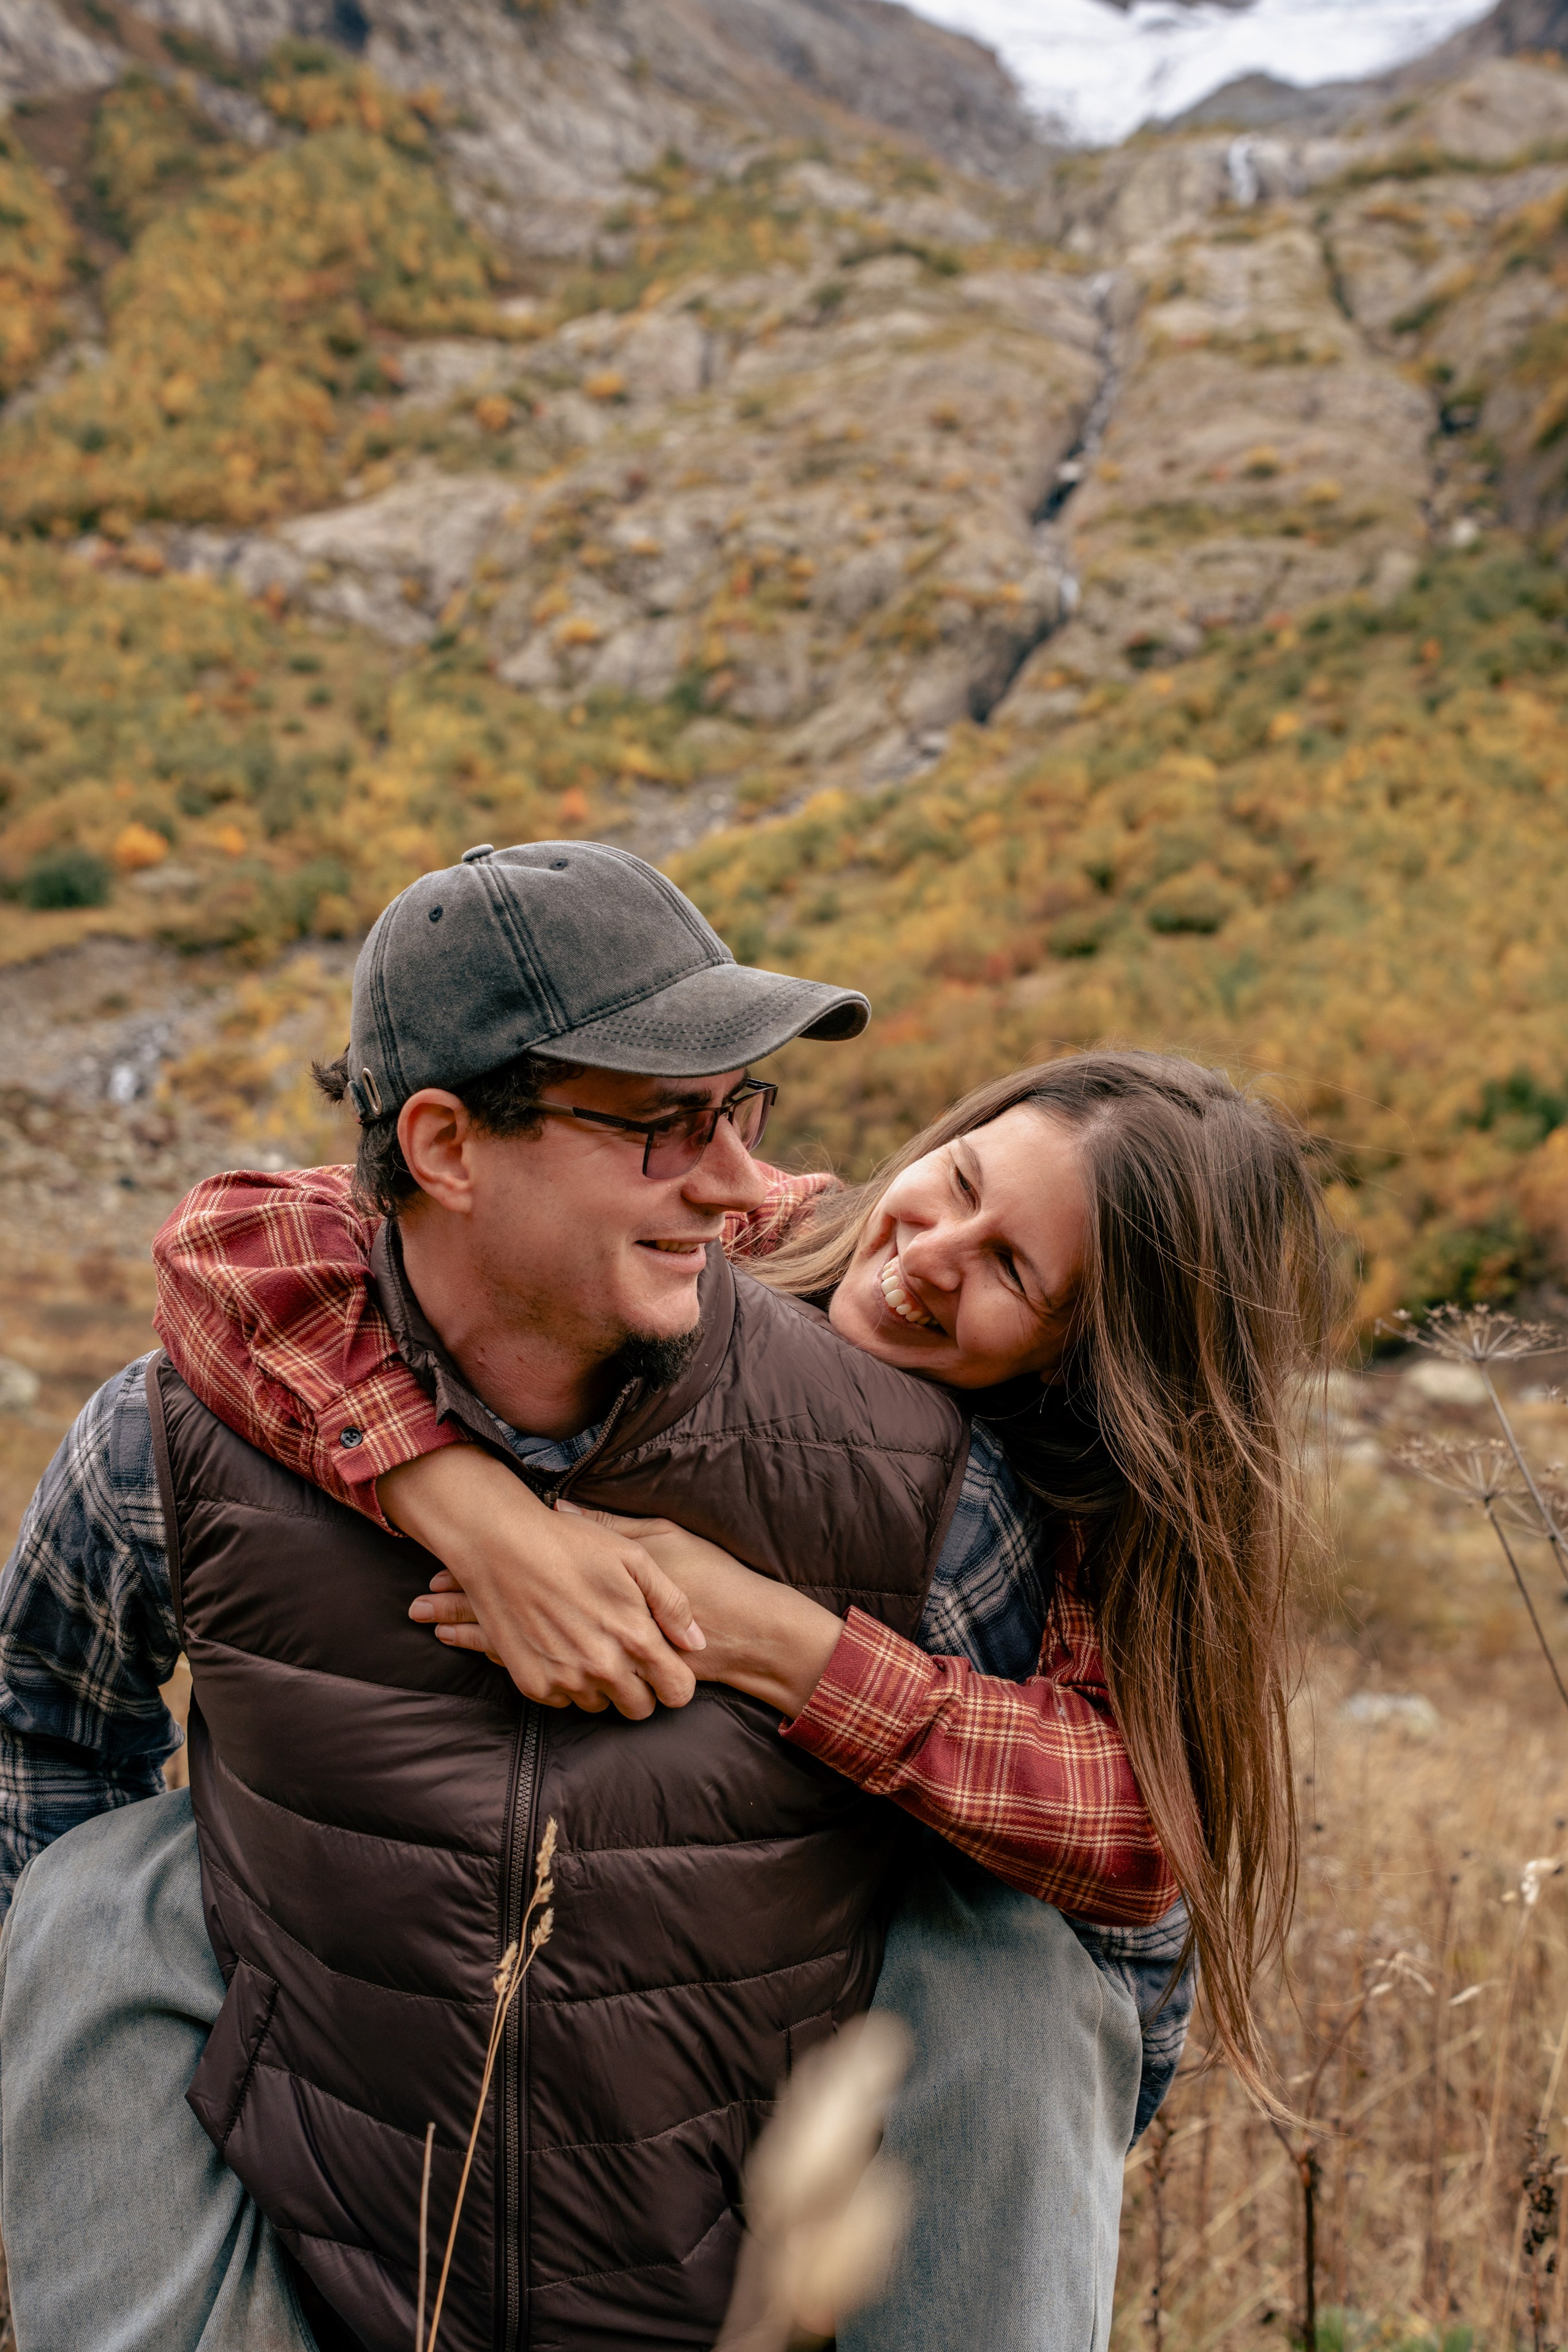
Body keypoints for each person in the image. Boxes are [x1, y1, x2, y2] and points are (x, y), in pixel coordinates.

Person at [0, 843, 1189, 2352]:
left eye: (738, 1111)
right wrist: (102, 2127)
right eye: (659, 1124)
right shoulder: (170, 1438)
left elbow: (1118, 1905)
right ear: (443, 1146)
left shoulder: (927, 1487)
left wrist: (1010, 2184)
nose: (738, 1181)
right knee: (109, 1890)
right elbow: (37, 1723)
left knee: (1010, 1962)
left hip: (742, 2308)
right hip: (328, 2276)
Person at [143, 1025, 1335, 2337]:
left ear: (1094, 1361)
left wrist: (769, 1638)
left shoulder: (1051, 1532)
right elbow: (240, 1237)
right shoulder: (753, 1235)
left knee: (1008, 1964)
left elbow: (1130, 1838)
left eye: (1010, 1267)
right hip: (528, 2064)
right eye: (958, 1182)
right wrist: (477, 1514)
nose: (925, 1255)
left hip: (829, 2071)